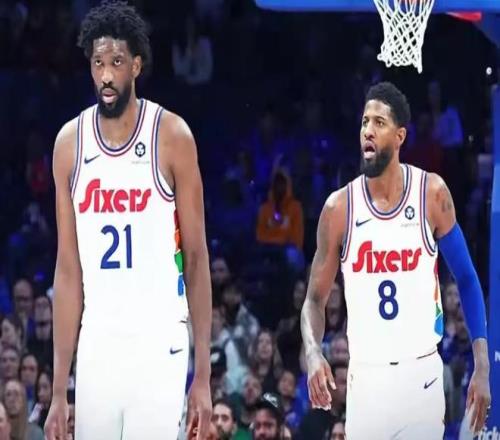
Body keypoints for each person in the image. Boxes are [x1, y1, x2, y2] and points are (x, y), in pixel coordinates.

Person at [44, 1, 212, 439]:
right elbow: (68, 270)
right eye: (98, 63)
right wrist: (59, 389)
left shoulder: (171, 136)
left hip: (159, 340)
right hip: (98, 342)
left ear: (136, 66)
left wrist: (203, 375)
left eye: (116, 62)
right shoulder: (69, 145)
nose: (106, 75)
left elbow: (196, 258)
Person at [301, 82, 490, 439]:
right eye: (364, 122)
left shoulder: (431, 194)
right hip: (365, 380)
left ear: (400, 136)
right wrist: (312, 352)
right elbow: (314, 299)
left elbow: (466, 278)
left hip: (421, 377)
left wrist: (482, 366)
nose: (368, 131)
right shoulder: (338, 209)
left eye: (379, 122)